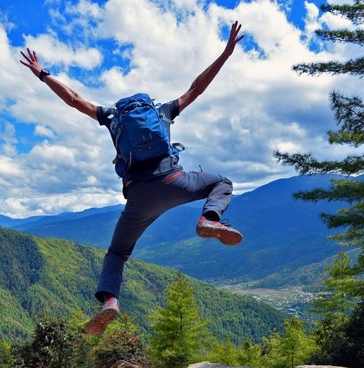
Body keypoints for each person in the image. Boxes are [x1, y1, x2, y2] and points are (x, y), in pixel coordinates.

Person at [20, 21, 245, 335]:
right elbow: (197, 88)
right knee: (221, 181)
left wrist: (43, 74)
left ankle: (110, 301)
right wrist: (225, 53)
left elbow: (72, 99)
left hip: (139, 196)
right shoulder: (162, 111)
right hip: (174, 181)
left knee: (117, 253)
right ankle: (210, 218)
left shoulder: (111, 118)